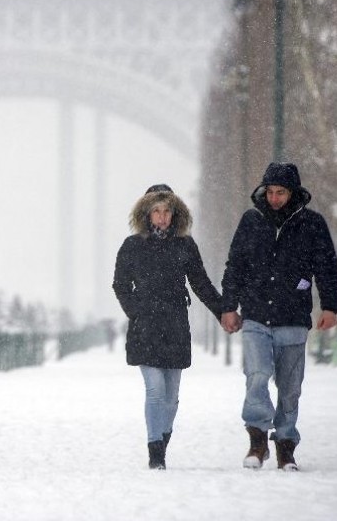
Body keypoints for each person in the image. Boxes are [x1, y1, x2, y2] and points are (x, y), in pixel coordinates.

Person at [220, 162, 337, 472]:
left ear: (294, 193)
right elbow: (235, 265)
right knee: (257, 375)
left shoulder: (312, 224)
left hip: (293, 317)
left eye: (281, 192)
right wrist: (228, 306)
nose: (274, 198)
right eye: (270, 192)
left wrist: (330, 306)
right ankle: (258, 439)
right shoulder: (251, 221)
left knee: (290, 388)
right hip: (257, 314)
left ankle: (286, 445)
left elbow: (326, 267)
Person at [112, 184, 224, 470]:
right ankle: (155, 451)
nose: (162, 217)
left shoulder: (185, 245)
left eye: (167, 212)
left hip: (175, 324)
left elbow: (200, 283)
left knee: (172, 398)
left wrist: (223, 311)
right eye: (156, 211)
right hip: (145, 326)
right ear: (147, 214)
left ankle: (162, 439)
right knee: (155, 390)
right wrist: (135, 311)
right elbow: (120, 284)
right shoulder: (131, 246)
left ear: (175, 214)